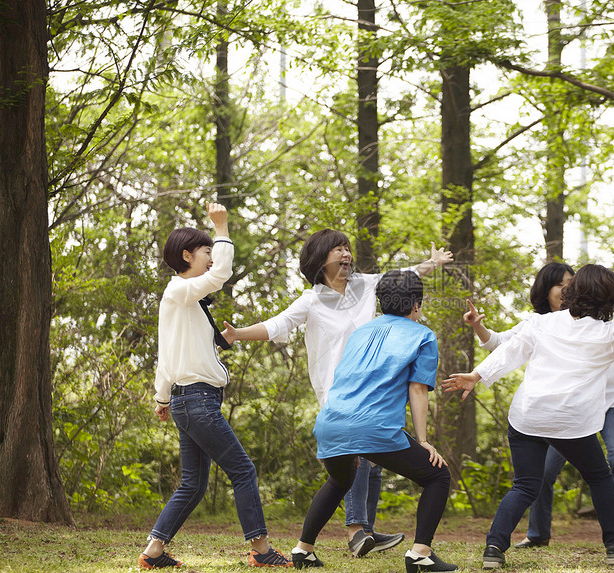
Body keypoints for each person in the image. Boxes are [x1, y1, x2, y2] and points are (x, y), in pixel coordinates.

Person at [223, 229, 453, 557]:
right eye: (338, 250)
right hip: (336, 389)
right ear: (320, 258)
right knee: (360, 458)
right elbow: (277, 325)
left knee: (369, 462)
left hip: (375, 383)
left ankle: (361, 531)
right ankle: (357, 530)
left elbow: (402, 280)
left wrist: (432, 262)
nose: (346, 254)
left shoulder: (364, 285)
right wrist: (238, 334)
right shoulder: (312, 300)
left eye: (347, 249)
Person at [443, 265, 614, 568]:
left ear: (572, 293)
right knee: (600, 477)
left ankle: (494, 549)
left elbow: (510, 352)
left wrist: (477, 375)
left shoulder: (542, 323)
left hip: (527, 416)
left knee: (524, 485)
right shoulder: (609, 335)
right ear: (610, 299)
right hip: (569, 422)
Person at [138, 203, 292, 569]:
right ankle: (260, 549)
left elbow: (166, 355)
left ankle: (153, 553)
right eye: (206, 251)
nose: (211, 258)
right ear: (187, 255)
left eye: (211, 249)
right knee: (243, 470)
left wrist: (163, 398)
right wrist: (221, 228)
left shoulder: (182, 300)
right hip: (197, 402)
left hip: (187, 400)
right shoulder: (179, 290)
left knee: (192, 485)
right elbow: (221, 272)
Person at [290, 270, 457, 572]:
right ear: (417, 304)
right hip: (374, 427)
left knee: (340, 479)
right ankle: (420, 554)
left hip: (330, 421)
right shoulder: (423, 335)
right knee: (438, 476)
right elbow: (417, 390)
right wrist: (423, 441)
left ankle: (303, 550)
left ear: (381, 302)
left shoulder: (361, 332)